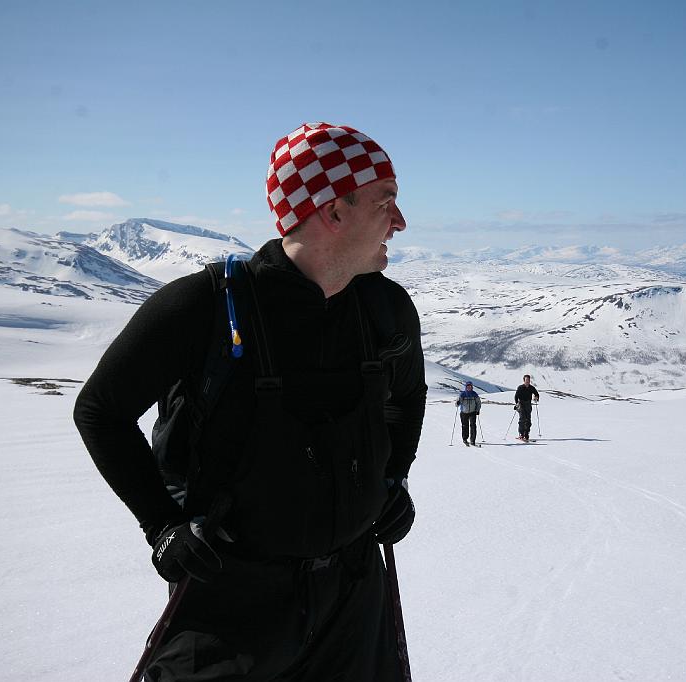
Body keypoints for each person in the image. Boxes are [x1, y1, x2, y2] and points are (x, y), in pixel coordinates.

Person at [73, 122, 427, 681]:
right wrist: (161, 525)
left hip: (354, 596)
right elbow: (100, 410)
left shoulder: (384, 310)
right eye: (386, 202)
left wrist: (394, 478)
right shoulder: (203, 307)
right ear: (333, 210)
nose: (400, 222)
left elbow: (407, 397)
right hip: (233, 606)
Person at [514, 374, 540, 441]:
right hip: (521, 404)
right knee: (522, 419)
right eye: (526, 380)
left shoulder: (531, 388)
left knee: (528, 420)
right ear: (524, 380)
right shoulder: (520, 387)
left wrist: (536, 397)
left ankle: (526, 434)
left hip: (528, 404)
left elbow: (536, 393)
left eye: (528, 380)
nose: (527, 381)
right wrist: (517, 404)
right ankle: (521, 434)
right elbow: (516, 396)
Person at [456, 381, 482, 446]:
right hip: (464, 413)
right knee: (465, 426)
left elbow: (478, 403)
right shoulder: (462, 394)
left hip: (473, 412)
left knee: (473, 426)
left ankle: (472, 440)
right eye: (468, 386)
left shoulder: (474, 394)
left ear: (472, 387)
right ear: (466, 387)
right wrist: (458, 403)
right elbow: (456, 404)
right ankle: (465, 439)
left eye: (470, 386)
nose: (469, 387)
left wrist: (477, 410)